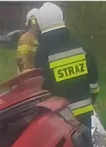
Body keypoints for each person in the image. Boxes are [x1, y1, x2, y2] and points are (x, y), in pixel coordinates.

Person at [34, 2, 99, 130]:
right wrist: (91, 98)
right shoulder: (79, 45)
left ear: (40, 23)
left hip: (59, 117)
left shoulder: (42, 52)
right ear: (62, 18)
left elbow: (41, 85)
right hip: (84, 115)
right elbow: (93, 78)